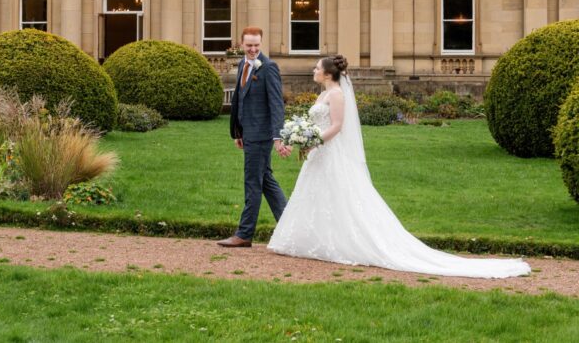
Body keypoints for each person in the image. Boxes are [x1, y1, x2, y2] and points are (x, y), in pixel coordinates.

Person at [267, 54, 531, 278]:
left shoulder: (336, 94)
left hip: (330, 152)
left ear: (327, 74)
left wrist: (313, 141)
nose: (313, 70)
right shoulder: (322, 93)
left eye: (317, 68)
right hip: (319, 153)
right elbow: (319, 124)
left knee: (339, 196)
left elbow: (336, 127)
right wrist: (304, 139)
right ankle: (314, 241)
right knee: (318, 196)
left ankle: (341, 242)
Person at [218, 27, 291, 248]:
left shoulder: (268, 68)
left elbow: (276, 105)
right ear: (241, 44)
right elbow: (240, 100)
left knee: (252, 183)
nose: (252, 49)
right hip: (247, 133)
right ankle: (290, 227)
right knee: (266, 181)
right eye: (249, 45)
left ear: (261, 44)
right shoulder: (243, 64)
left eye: (256, 45)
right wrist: (238, 132)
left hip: (261, 135)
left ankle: (245, 233)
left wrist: (277, 136)